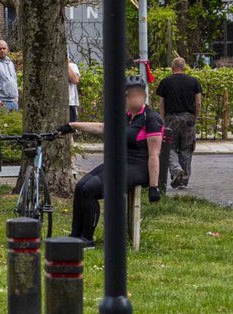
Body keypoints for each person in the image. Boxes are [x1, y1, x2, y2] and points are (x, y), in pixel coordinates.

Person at [63, 75, 164, 241]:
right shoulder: (125, 115)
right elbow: (102, 127)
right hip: (118, 163)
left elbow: (154, 154)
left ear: (139, 96)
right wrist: (72, 126)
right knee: (81, 186)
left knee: (90, 190)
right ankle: (75, 235)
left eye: (126, 95)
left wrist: (154, 187)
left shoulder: (150, 118)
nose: (123, 99)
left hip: (138, 167)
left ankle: (86, 238)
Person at [155, 55, 202, 192]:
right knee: (187, 148)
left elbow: (161, 103)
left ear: (172, 68)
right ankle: (183, 179)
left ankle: (176, 169)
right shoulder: (194, 81)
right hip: (188, 118)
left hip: (171, 118)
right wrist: (195, 117)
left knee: (170, 147)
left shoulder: (165, 82)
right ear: (184, 67)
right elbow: (198, 102)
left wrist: (163, 120)